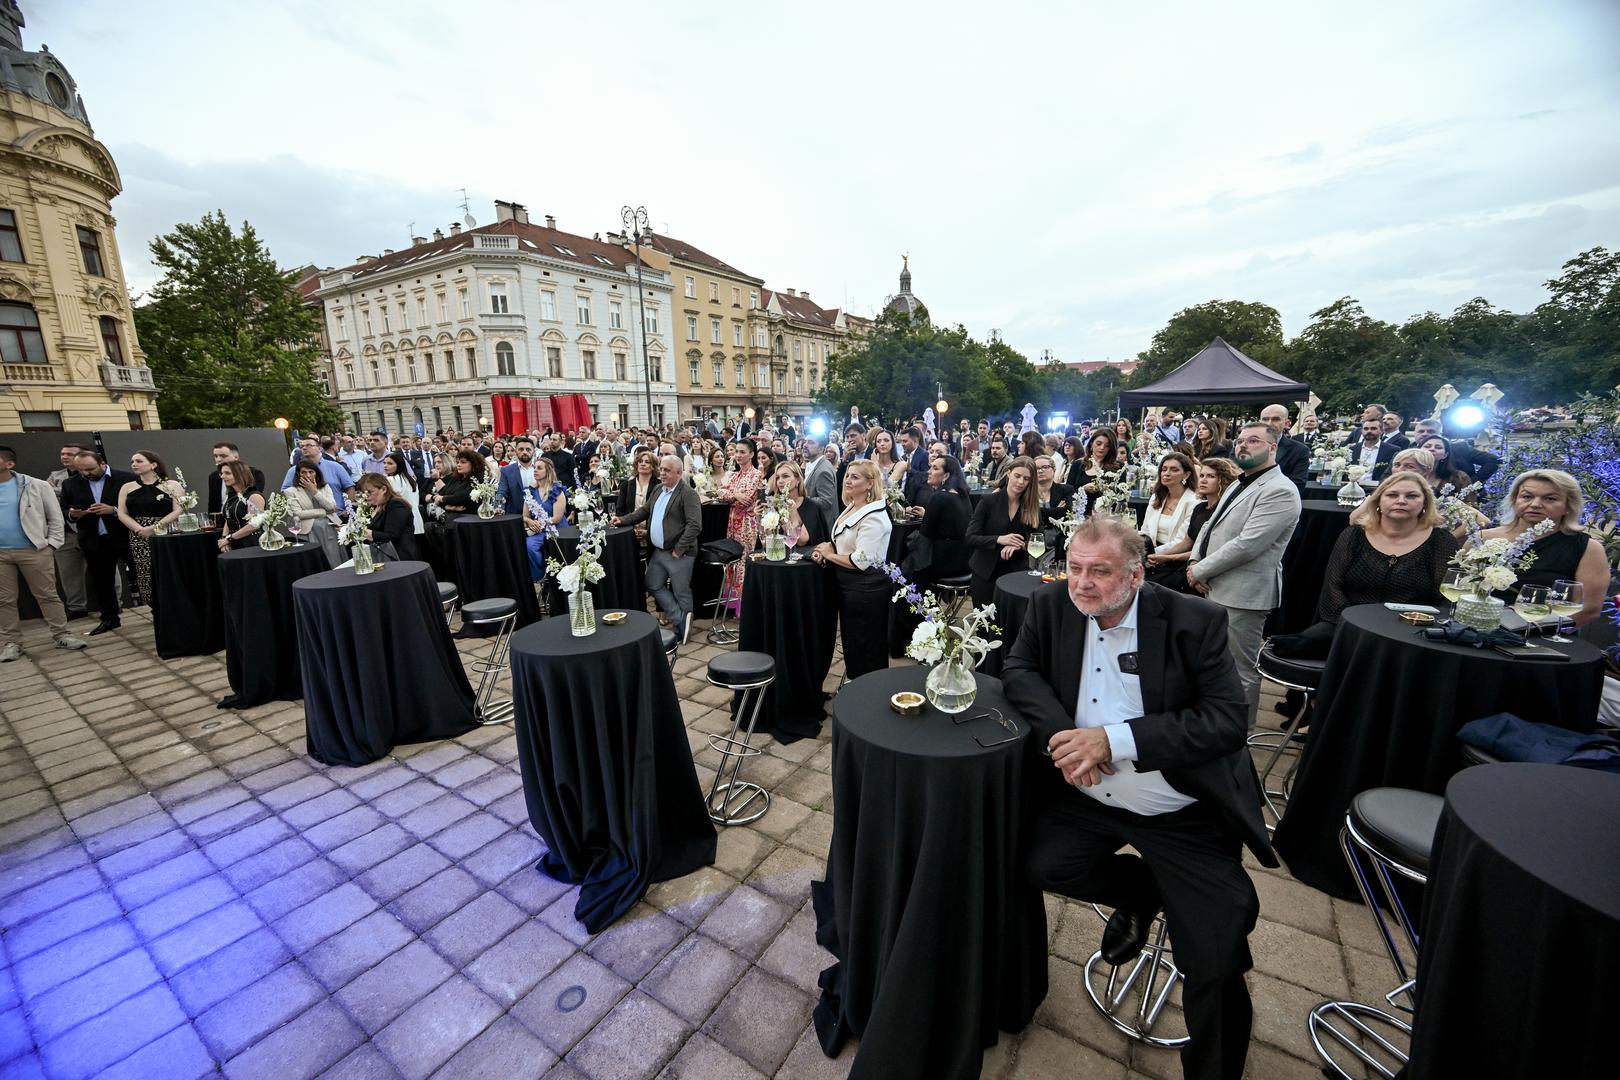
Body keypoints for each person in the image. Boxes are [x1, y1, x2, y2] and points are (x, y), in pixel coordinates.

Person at [1002, 516, 1272, 1080]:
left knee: (1217, 958)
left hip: (1178, 809)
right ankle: (1143, 892)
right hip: (1089, 795)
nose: (1082, 583)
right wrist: (1068, 744)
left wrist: (1113, 740)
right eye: (1075, 568)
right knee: (1035, 863)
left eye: (1098, 572)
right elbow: (1020, 669)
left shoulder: (1192, 620)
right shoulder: (1053, 607)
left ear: (1136, 574)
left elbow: (1225, 722)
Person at [1187, 423, 1302, 727]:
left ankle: (1239, 736)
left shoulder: (1281, 491)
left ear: (1273, 447)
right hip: (1212, 585)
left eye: (1253, 440)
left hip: (1243, 592)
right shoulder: (1240, 482)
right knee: (1210, 662)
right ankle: (1211, 721)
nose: (1243, 446)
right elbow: (1209, 526)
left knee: (1240, 670)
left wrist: (1200, 569)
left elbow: (1248, 545)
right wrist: (1194, 559)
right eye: (1239, 441)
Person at [1280, 474, 1459, 658]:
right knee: (1298, 648)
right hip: (1348, 624)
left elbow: (1446, 599)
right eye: (1392, 495)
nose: (1401, 501)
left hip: (1412, 631)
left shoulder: (1441, 541)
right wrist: (1354, 623)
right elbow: (1332, 587)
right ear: (1378, 501)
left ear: (1426, 503)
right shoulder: (1353, 536)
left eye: (1412, 496)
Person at [1473, 469, 1607, 625]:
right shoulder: (1482, 537)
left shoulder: (1588, 548)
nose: (1535, 504)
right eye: (1527, 496)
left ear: (1568, 506)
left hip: (1541, 636)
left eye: (1550, 498)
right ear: (1514, 499)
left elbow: (1589, 609)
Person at [0, 445, 89, 661]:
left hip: (34, 551)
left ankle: (62, 635)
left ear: (9, 464)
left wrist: (52, 545)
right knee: (4, 600)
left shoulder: (35, 485)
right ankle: (11, 643)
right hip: (2, 555)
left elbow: (55, 517)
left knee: (47, 595)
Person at [812, 459, 893, 681]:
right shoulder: (853, 506)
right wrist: (828, 550)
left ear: (870, 484)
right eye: (848, 475)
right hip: (849, 587)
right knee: (853, 645)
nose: (848, 480)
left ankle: (867, 694)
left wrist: (830, 555)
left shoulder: (874, 516)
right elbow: (842, 541)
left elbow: (861, 560)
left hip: (865, 590)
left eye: (855, 477)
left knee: (866, 647)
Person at [615, 455, 703, 641]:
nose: (662, 473)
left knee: (681, 591)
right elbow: (644, 511)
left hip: (679, 553)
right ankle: (679, 618)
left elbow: (694, 525)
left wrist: (679, 549)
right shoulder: (658, 489)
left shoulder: (688, 494)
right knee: (652, 584)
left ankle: (683, 632)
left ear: (679, 473)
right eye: (661, 469)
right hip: (660, 551)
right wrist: (622, 520)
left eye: (667, 470)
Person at [59, 451, 134, 636]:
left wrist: (114, 510)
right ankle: (109, 619)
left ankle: (158, 611)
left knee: (143, 575)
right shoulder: (70, 484)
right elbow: (63, 508)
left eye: (90, 469)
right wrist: (72, 514)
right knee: (101, 582)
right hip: (94, 539)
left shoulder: (126, 478)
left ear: (102, 463)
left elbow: (139, 504)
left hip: (126, 536)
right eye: (81, 470)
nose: (86, 473)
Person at [1146, 459, 1241, 591]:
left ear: (1223, 480)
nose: (1203, 480)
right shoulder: (1200, 508)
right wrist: (1158, 556)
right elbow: (1186, 542)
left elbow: (1209, 549)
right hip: (1185, 563)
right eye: (1202, 475)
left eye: (1211, 476)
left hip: (1203, 566)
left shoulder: (1224, 511)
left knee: (1154, 586)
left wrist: (1167, 557)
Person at [966, 455, 1040, 608]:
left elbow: (1040, 541)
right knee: (984, 625)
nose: (1020, 482)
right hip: (986, 572)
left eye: (1026, 479)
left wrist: (1019, 545)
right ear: (1008, 473)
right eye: (1017, 476)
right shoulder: (988, 501)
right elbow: (970, 538)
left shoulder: (1032, 507)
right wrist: (999, 539)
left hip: (1017, 573)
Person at [115, 452, 183, 609]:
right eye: (132, 461)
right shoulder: (127, 487)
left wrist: (155, 528)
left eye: (139, 461)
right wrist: (140, 529)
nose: (134, 464)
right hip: (139, 535)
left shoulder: (172, 485)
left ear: (153, 465)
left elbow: (178, 510)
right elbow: (121, 513)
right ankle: (154, 608)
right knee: (145, 571)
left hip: (166, 532)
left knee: (169, 569)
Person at [901, 455, 970, 588]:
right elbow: (950, 523)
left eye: (935, 468)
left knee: (901, 556)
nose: (929, 471)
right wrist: (927, 513)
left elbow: (925, 535)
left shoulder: (939, 496)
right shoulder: (962, 494)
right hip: (964, 560)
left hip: (944, 563)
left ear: (946, 476)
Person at [714, 440, 764, 606]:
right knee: (733, 559)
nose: (738, 455)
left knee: (743, 560)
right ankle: (732, 601)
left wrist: (731, 495)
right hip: (732, 521)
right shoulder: (735, 475)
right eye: (737, 452)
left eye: (743, 452)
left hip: (747, 523)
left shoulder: (756, 474)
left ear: (751, 454)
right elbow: (719, 492)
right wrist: (735, 495)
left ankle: (743, 605)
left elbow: (747, 500)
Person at [284, 460, 344, 567]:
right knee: (317, 562)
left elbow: (331, 506)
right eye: (304, 472)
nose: (308, 475)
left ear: (316, 473)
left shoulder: (325, 487)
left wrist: (314, 491)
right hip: (310, 531)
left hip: (330, 527)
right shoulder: (290, 491)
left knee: (335, 559)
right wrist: (323, 512)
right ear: (298, 474)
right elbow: (298, 513)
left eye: (311, 472)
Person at [356, 474, 422, 563]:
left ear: (384, 489)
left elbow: (392, 536)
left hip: (400, 558)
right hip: (383, 557)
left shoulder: (396, 505)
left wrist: (364, 532)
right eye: (363, 493)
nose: (366, 496)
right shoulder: (374, 506)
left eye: (369, 492)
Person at [766, 463, 832, 552]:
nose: (780, 481)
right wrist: (759, 517)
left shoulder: (811, 506)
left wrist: (791, 513)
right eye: (777, 478)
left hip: (805, 560)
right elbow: (768, 538)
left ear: (797, 480)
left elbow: (802, 541)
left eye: (785, 476)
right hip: (779, 557)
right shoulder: (776, 505)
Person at [1141, 452, 1198, 554]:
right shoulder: (1157, 497)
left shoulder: (1193, 502)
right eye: (1164, 469)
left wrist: (1153, 553)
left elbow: (1182, 541)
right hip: (1150, 551)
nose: (1167, 473)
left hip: (1174, 556)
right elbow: (1145, 530)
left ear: (1186, 475)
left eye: (1174, 470)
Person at [1411, 417, 1499, 484]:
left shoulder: (1460, 448)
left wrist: (1471, 484)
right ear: (1415, 434)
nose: (1425, 434)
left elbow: (1493, 460)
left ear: (1441, 434)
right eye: (1421, 431)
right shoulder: (1408, 451)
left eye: (1431, 431)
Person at [281, 436, 356, 514]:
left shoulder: (335, 466)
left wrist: (348, 510)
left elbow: (350, 488)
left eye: (309, 445)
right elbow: (285, 491)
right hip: (309, 518)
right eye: (302, 446)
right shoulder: (294, 470)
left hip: (338, 515)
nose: (304, 448)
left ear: (319, 448)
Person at [216, 462, 268, 551]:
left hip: (251, 544)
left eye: (227, 473)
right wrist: (224, 539)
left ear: (240, 474)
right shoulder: (232, 497)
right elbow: (228, 518)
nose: (222, 476)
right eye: (222, 473)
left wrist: (228, 539)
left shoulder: (254, 496)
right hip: (234, 543)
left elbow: (254, 525)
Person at [1257, 404, 1308, 492]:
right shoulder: (1242, 445)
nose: (1269, 423)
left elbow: (1298, 484)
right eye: (1265, 419)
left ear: (1286, 423)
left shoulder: (1299, 450)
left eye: (1276, 419)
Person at [429, 450, 485, 516]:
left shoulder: (478, 480)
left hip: (469, 519)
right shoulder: (455, 478)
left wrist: (443, 499)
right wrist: (452, 508)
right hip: (451, 517)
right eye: (458, 462)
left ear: (474, 464)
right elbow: (442, 495)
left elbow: (461, 497)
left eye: (463, 462)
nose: (458, 465)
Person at [382, 452, 426, 537]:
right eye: (384, 463)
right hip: (417, 520)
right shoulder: (411, 479)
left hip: (403, 521)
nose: (385, 466)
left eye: (390, 463)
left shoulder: (390, 480)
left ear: (399, 465)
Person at [496, 436, 541, 515]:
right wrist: (499, 507)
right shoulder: (506, 470)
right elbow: (501, 491)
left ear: (533, 451)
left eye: (528, 449)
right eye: (521, 449)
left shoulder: (542, 469)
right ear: (516, 451)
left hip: (539, 514)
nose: (524, 452)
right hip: (515, 515)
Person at [1348, 416, 1398, 480]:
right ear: (1362, 431)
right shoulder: (1352, 449)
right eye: (1366, 429)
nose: (1369, 431)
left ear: (1381, 431)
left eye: (1373, 428)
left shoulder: (1392, 450)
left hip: (1378, 487)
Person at [800, 436, 837, 520]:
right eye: (805, 442)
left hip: (820, 525)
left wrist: (801, 499)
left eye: (810, 442)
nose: (805, 445)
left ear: (821, 449)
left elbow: (825, 501)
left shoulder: (823, 470)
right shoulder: (815, 464)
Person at [1073, 428, 1119, 494]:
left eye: (1107, 446)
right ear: (1091, 444)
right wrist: (1083, 489)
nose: (1102, 448)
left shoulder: (1118, 467)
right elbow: (1068, 493)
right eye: (1098, 444)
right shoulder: (1077, 464)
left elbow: (1122, 497)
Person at [1033, 456, 1076, 525]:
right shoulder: (1027, 491)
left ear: (1054, 470)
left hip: (1058, 533)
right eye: (1036, 468)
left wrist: (1037, 512)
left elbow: (1068, 512)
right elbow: (1025, 514)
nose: (1040, 471)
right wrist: (1056, 511)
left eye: (1045, 467)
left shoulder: (1066, 490)